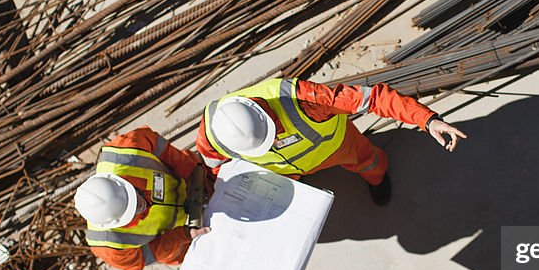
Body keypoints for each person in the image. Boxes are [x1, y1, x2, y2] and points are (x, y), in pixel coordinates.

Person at [195, 78, 466, 205]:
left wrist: (426, 119)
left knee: (370, 162)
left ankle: (378, 180)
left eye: (271, 132)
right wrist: (222, 188)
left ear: (264, 112)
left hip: (337, 147)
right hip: (289, 171)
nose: (274, 139)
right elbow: (212, 161)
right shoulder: (215, 130)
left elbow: (374, 98)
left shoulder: (302, 100)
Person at [74, 126, 211, 270]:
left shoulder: (124, 152)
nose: (142, 206)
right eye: (133, 212)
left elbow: (159, 146)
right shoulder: (110, 247)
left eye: (134, 198)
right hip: (181, 237)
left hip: (193, 181)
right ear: (115, 223)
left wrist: (190, 171)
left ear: (120, 183)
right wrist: (183, 235)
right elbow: (148, 255)